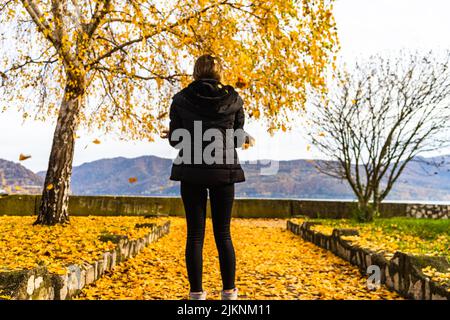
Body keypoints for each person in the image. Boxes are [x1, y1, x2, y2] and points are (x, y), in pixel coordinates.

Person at [161, 54, 253, 300]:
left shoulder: (180, 99)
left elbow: (176, 139)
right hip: (224, 171)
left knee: (194, 235)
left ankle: (196, 294)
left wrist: (169, 135)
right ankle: (229, 293)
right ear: (219, 73)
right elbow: (235, 138)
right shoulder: (234, 100)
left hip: (191, 171)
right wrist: (245, 137)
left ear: (195, 72)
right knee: (223, 233)